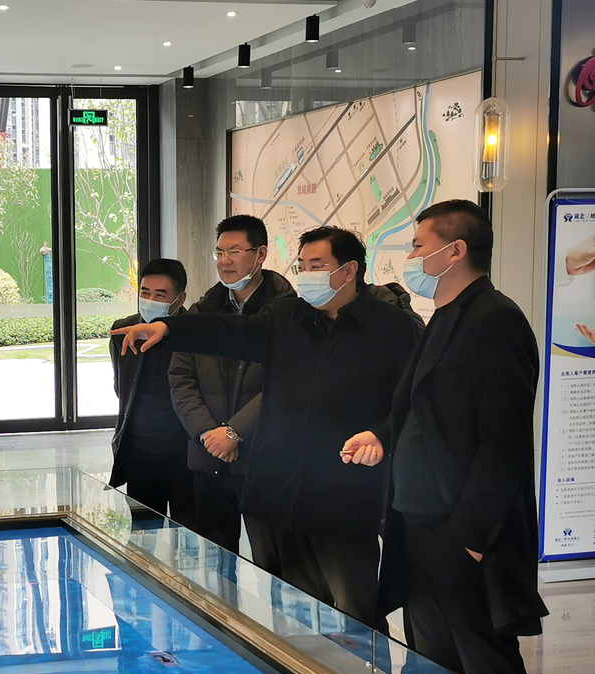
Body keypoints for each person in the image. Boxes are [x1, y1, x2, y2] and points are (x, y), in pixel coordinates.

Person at [112, 228, 421, 627]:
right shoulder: (288, 316)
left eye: (317, 266)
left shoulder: (392, 328)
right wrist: (171, 330)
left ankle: (359, 667)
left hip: (343, 490)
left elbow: (413, 399)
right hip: (283, 486)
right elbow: (232, 333)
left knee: (353, 609)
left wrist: (382, 434)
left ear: (348, 271)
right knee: (293, 603)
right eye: (301, 265)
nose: (305, 274)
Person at [342, 199, 548, 674]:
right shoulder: (442, 316)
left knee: (488, 668)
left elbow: (503, 440)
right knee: (434, 665)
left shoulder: (495, 319)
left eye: (417, 246)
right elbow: (418, 408)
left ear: (454, 251)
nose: (411, 257)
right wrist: (380, 436)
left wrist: (472, 538)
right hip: (418, 520)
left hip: (461, 530)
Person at [168, 215, 295, 563]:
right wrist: (207, 433)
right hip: (209, 456)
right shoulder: (202, 311)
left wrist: (235, 432)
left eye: (235, 251)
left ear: (260, 254)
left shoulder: (288, 314)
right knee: (213, 561)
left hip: (264, 460)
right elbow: (180, 377)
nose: (225, 261)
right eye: (219, 252)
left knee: (274, 561)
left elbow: (286, 382)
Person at [109, 258, 197, 527]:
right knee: (143, 532)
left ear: (180, 299)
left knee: (189, 534)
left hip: (186, 454)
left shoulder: (197, 333)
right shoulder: (123, 331)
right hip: (140, 452)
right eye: (145, 293)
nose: (150, 300)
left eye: (161, 295)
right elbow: (121, 386)